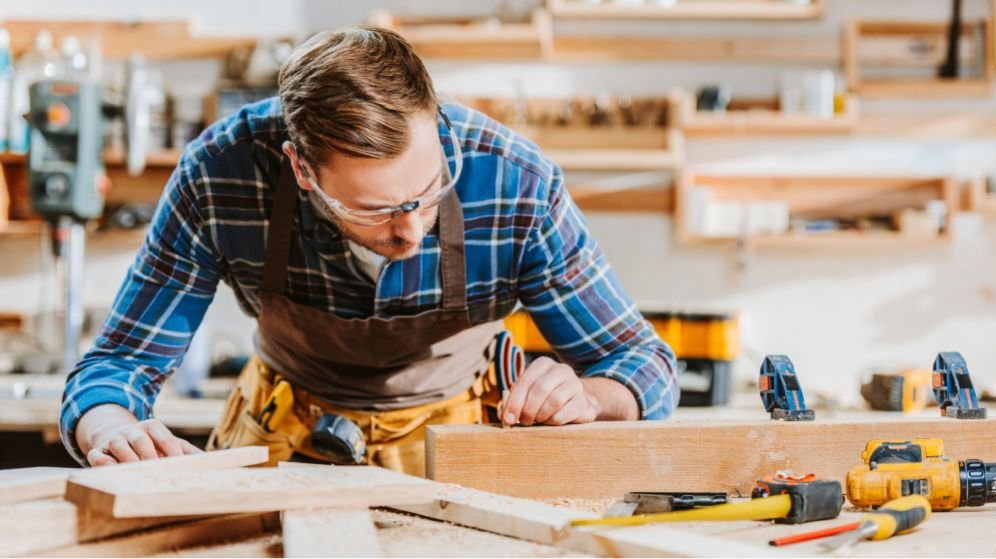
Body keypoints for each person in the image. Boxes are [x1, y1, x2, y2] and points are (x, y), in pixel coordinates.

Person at [61, 26, 679, 475]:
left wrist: (590, 396)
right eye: (374, 210)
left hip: (462, 442)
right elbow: (118, 364)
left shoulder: (516, 182)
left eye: (427, 191)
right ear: (301, 168)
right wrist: (110, 427)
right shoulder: (219, 174)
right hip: (281, 429)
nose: (409, 230)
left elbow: (643, 364)